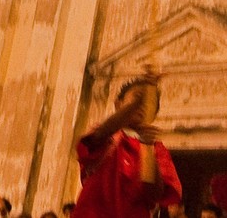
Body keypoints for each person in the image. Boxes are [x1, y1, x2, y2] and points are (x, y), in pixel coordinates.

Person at [74, 76, 182, 218]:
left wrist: (147, 145)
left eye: (150, 102)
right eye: (137, 96)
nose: (143, 104)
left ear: (154, 114)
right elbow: (98, 137)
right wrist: (138, 102)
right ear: (118, 104)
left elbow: (154, 193)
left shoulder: (157, 149)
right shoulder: (107, 134)